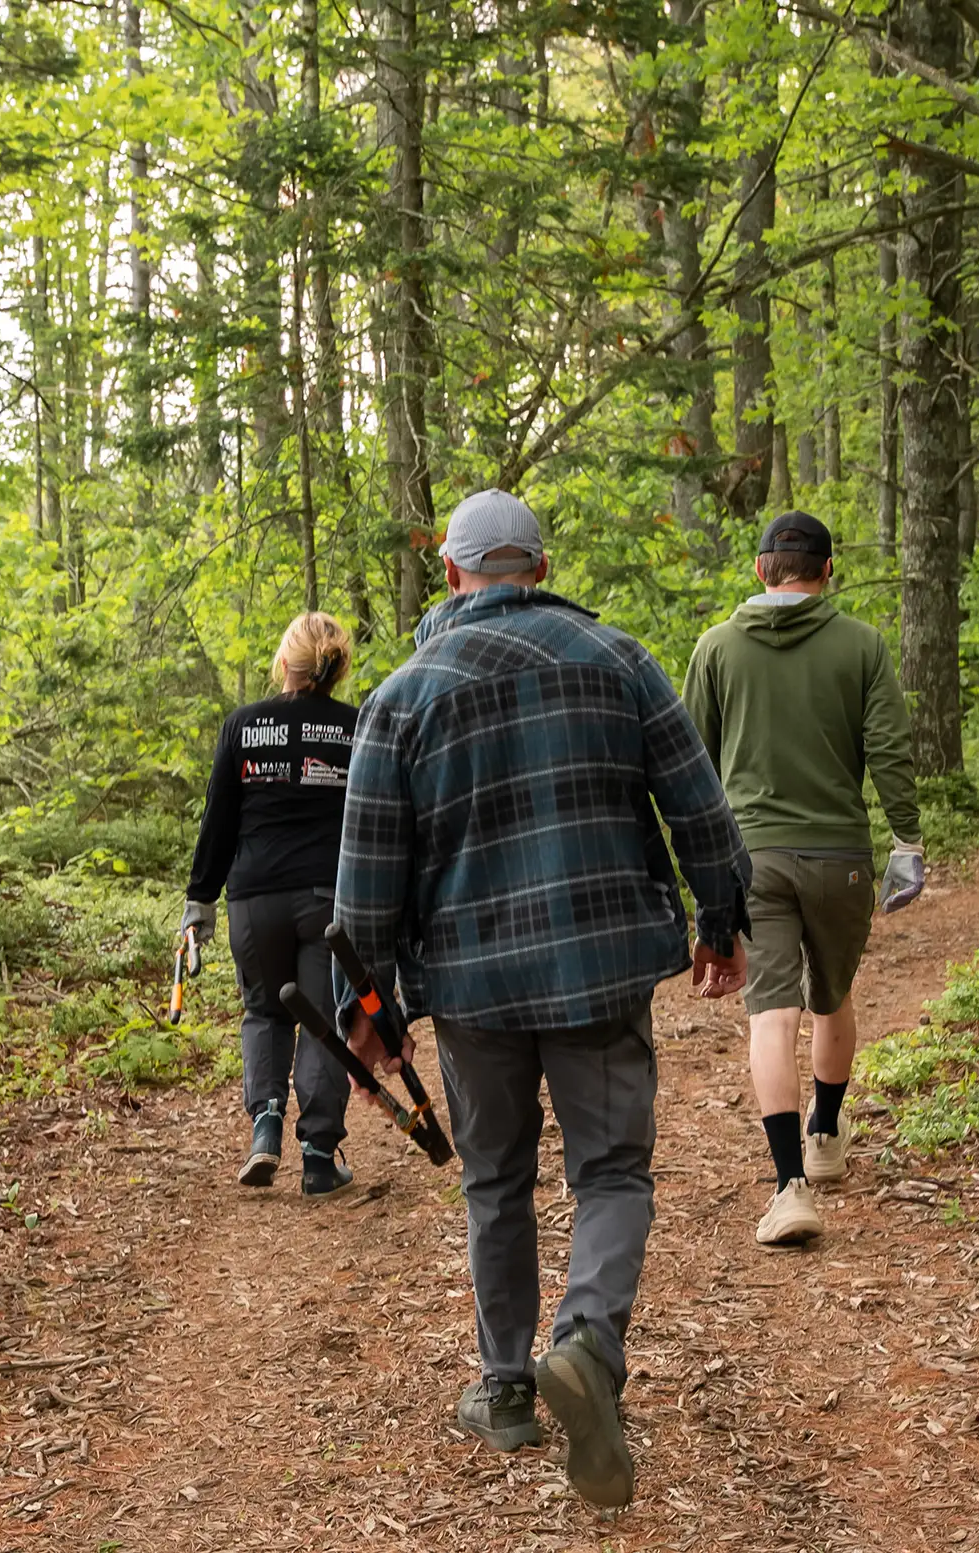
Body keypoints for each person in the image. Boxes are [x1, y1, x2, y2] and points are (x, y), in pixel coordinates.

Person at [330, 489, 751, 1508]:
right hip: (597, 968)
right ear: (542, 564)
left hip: (472, 984)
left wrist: (368, 1006)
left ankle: (508, 1385)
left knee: (496, 1177)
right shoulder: (617, 659)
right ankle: (590, 1345)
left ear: (451, 572)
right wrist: (718, 914)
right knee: (611, 1169)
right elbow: (697, 795)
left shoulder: (404, 691)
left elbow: (367, 872)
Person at [682, 511, 924, 1247]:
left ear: (760, 570)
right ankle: (824, 1134)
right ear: (828, 571)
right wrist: (907, 837)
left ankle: (788, 1186)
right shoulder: (861, 645)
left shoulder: (717, 648)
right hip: (841, 856)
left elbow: (690, 765)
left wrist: (700, 880)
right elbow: (887, 743)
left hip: (752, 857)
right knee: (832, 996)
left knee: (771, 1013)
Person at [181, 611, 360, 1200]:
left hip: (254, 899)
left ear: (284, 664)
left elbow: (219, 821)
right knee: (323, 1021)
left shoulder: (242, 725)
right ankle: (316, 1156)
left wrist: (199, 903)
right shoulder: (353, 727)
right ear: (336, 670)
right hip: (327, 899)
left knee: (263, 1011)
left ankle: (265, 1127)